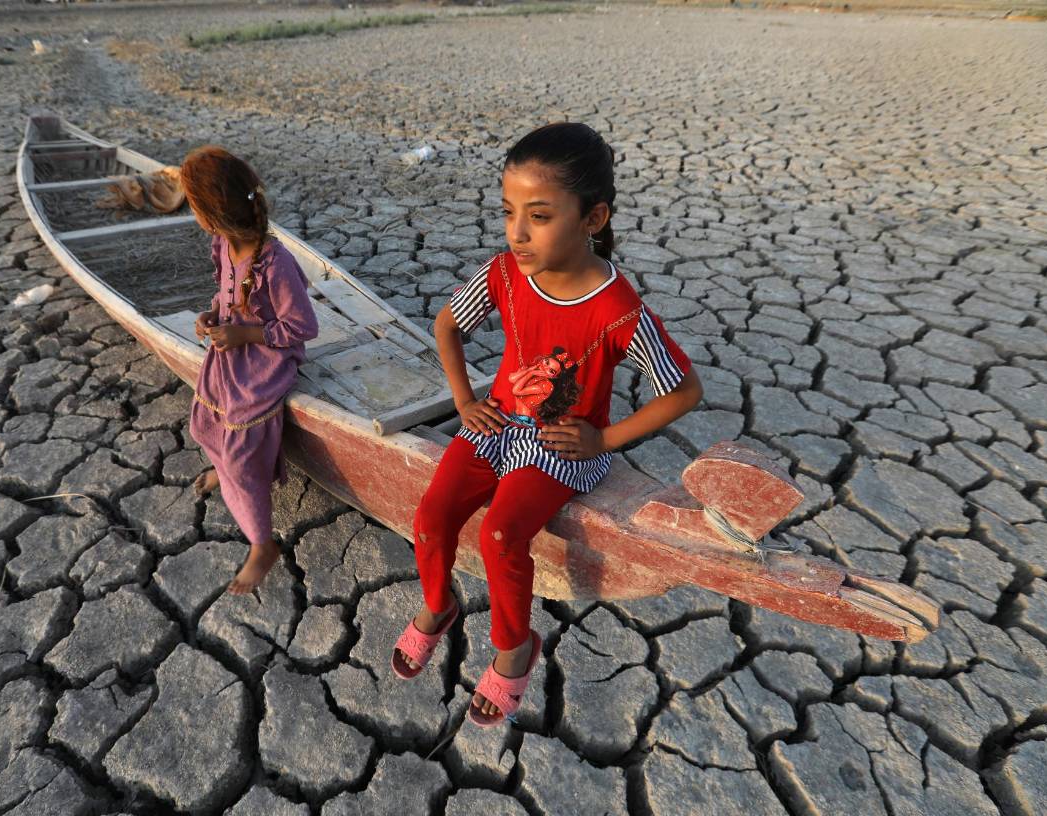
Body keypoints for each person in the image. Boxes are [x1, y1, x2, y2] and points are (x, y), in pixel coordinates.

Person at [391, 122, 703, 727]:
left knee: (502, 535)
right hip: (496, 421)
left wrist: (603, 440)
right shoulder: (506, 274)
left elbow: (684, 390)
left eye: (538, 215)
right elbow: (448, 326)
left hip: (560, 445)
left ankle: (514, 650)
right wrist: (464, 400)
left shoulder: (616, 309)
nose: (517, 232)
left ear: (593, 218)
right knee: (431, 517)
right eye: (509, 212)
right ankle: (438, 604)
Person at [182, 146, 318, 595]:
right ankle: (221, 472)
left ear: (211, 213)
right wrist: (211, 315)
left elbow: (301, 326)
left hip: (267, 356)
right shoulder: (222, 244)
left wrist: (244, 336)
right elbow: (225, 296)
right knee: (204, 425)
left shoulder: (274, 262)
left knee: (240, 450)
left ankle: (262, 544)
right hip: (231, 350)